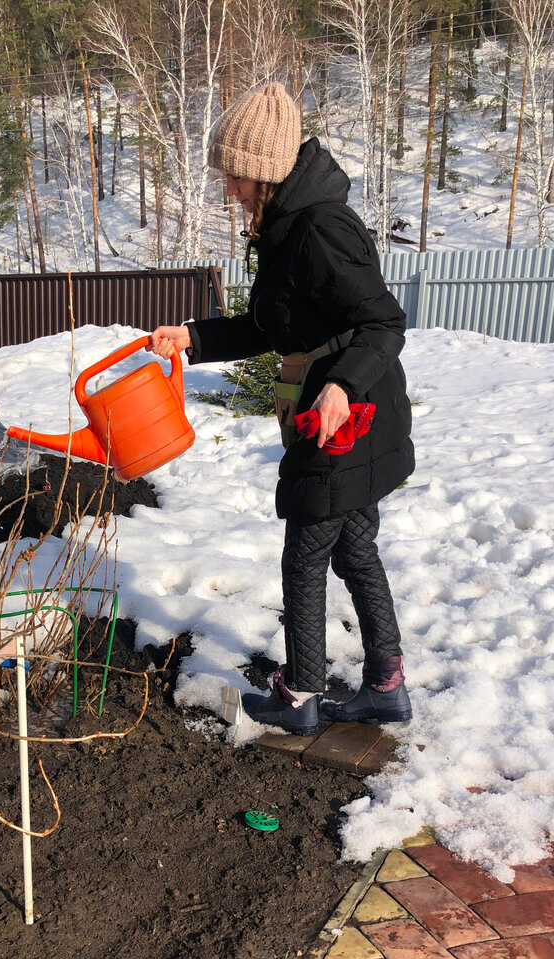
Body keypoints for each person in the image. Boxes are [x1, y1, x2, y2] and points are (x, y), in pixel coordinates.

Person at [149, 83, 414, 736]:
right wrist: (194, 338)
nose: (229, 189)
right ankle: (386, 687)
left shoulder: (321, 228)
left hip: (348, 415)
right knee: (353, 549)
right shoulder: (288, 226)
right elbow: (277, 326)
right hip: (340, 410)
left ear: (263, 171)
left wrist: (340, 386)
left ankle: (301, 697)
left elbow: (384, 322)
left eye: (234, 175)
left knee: (306, 552)